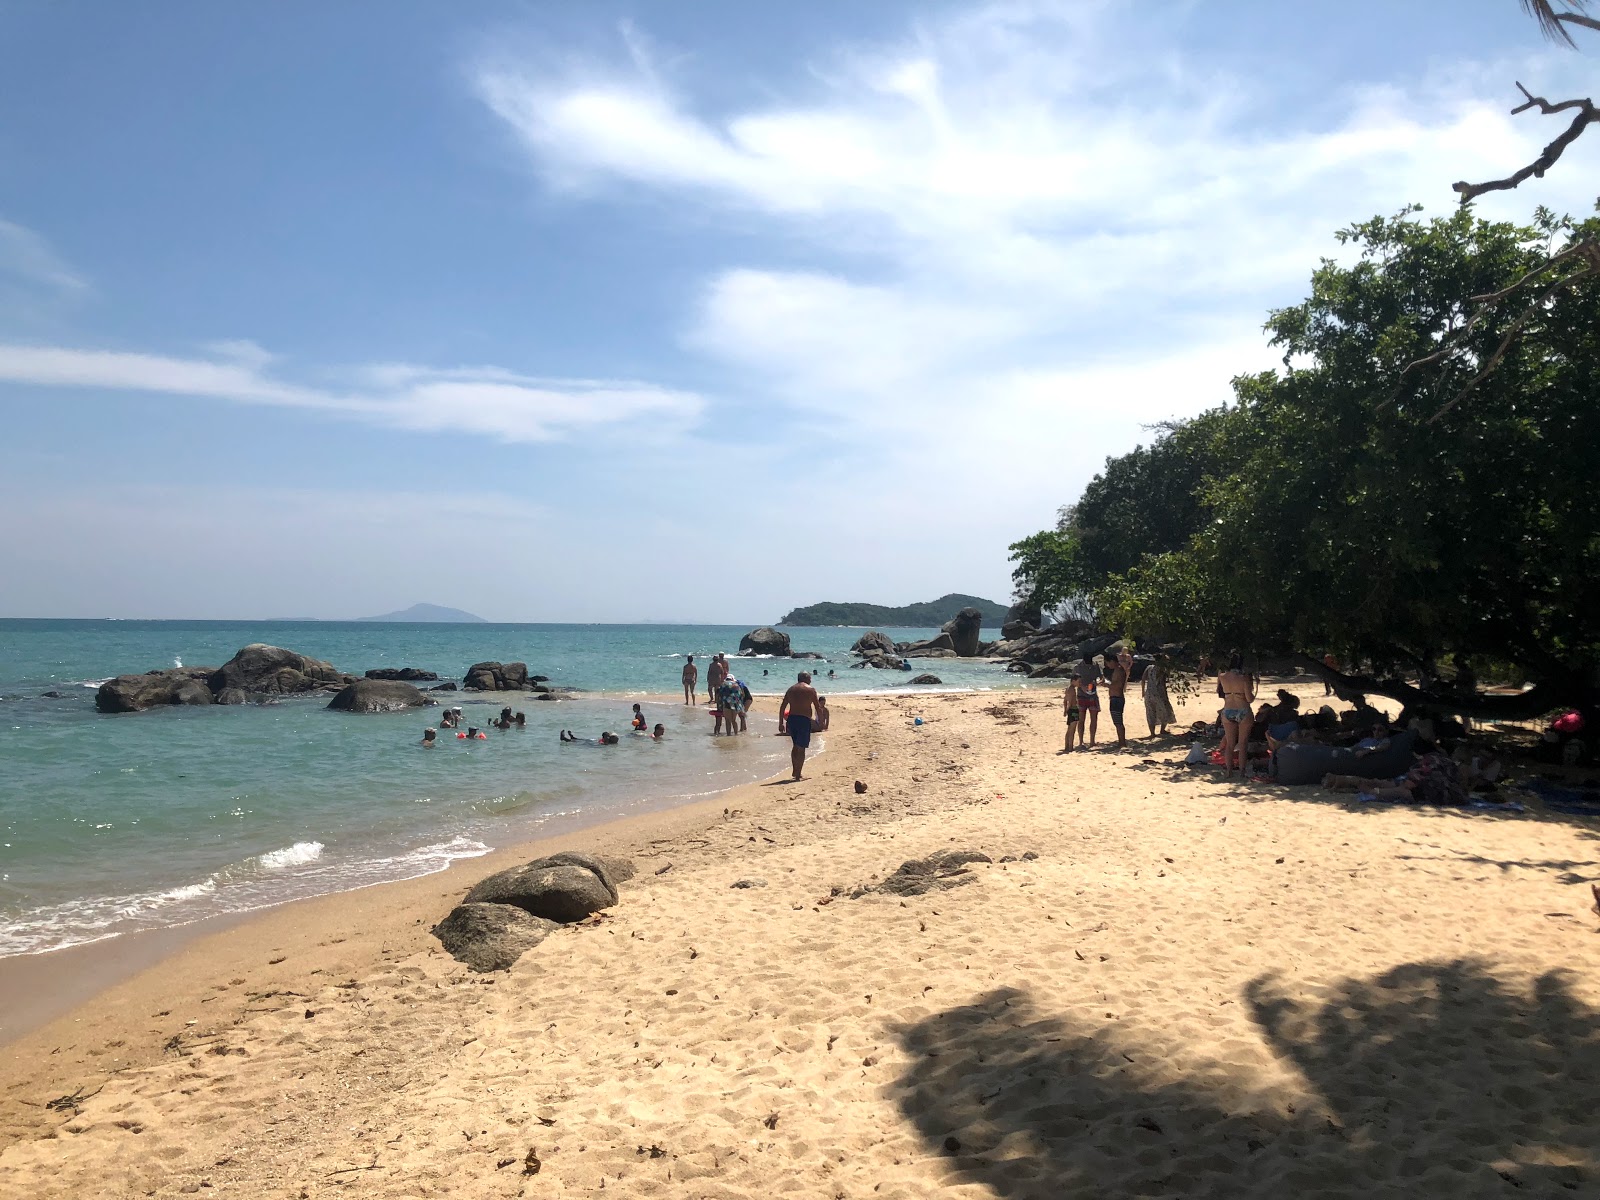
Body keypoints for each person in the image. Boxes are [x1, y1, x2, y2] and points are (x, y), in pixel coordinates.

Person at [1217, 653, 1256, 778]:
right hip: (1242, 710)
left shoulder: (1222, 676)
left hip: (1228, 710)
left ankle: (1229, 771)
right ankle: (1242, 772)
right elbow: (1249, 699)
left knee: (1230, 743)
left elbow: (1220, 693)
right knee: (1243, 743)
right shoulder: (1244, 678)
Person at [778, 671, 822, 780]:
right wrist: (820, 722)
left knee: (795, 745)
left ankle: (795, 769)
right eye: (810, 678)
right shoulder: (810, 690)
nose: (811, 680)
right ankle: (798, 774)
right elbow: (817, 706)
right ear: (806, 678)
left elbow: (782, 707)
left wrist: (781, 723)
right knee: (801, 748)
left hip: (792, 720)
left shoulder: (791, 690)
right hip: (803, 720)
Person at [1141, 653, 1176, 737]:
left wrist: (1143, 691)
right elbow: (1162, 682)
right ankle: (1162, 730)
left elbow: (1143, 679)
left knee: (1150, 713)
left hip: (1149, 692)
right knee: (1165, 711)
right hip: (1159, 693)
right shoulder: (1162, 669)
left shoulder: (1149, 667)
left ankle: (1152, 733)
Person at [1074, 654, 1100, 748]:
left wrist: (1096, 681)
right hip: (1081, 695)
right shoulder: (1077, 667)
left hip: (1093, 695)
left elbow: (1100, 676)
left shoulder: (1095, 665)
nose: (1089, 666)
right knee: (1081, 720)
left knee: (1094, 718)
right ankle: (1081, 741)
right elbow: (1073, 681)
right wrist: (1082, 686)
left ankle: (1092, 741)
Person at [1105, 654, 1129, 748]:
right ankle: (1121, 741)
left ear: (1112, 661)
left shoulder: (1118, 670)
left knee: (1118, 722)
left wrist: (1107, 685)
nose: (1108, 666)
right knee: (1117, 722)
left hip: (1117, 698)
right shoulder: (1118, 670)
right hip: (1116, 698)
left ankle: (1122, 742)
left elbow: (1117, 686)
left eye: (1108, 663)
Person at [1061, 684, 1080, 753]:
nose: (1079, 683)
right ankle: (1070, 747)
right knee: (1072, 729)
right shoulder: (1071, 690)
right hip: (1073, 709)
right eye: (1078, 681)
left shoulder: (1068, 689)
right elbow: (1069, 701)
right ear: (1074, 681)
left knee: (1069, 729)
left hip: (1071, 710)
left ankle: (1067, 746)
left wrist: (1065, 710)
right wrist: (1067, 710)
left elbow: (1065, 700)